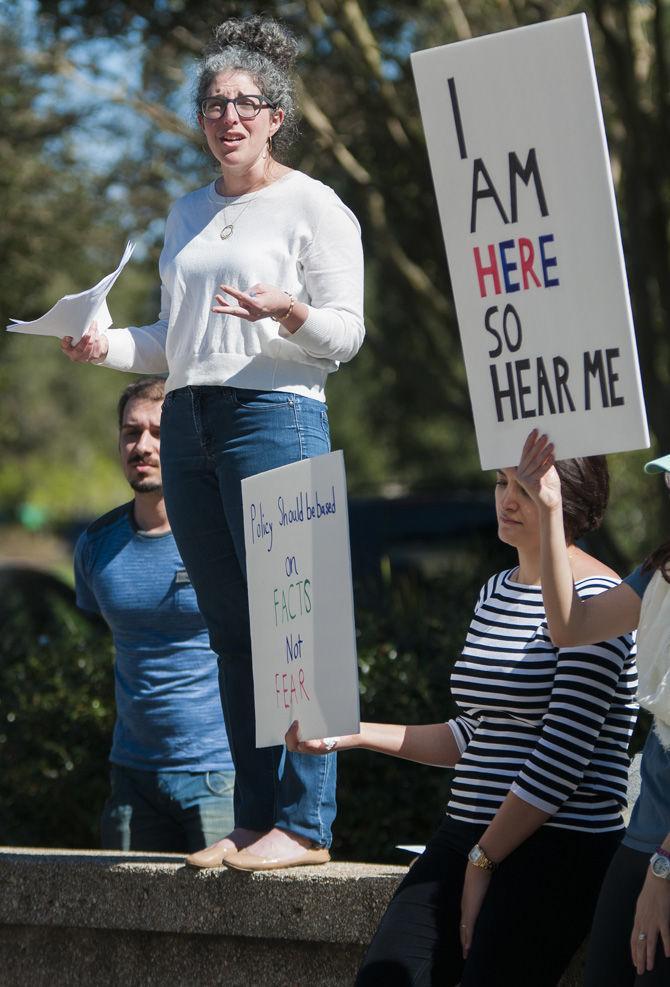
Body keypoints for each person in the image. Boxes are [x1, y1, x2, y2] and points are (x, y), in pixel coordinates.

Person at [61, 15, 364, 870]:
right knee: (234, 631)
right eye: (212, 104)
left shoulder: (313, 204)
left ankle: (307, 826)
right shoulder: (188, 212)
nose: (227, 118)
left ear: (276, 115)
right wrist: (106, 346)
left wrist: (287, 311)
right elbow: (174, 339)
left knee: (301, 625)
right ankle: (256, 813)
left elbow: (346, 334)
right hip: (191, 415)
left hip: (277, 412)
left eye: (244, 103)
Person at [287, 454, 637, 986]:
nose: (506, 499)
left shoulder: (600, 600)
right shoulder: (495, 591)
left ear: (568, 497)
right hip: (467, 835)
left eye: (525, 486)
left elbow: (562, 758)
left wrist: (484, 860)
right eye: (500, 483)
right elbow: (473, 733)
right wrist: (349, 732)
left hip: (558, 844)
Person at [514, 429, 670, 986]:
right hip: (646, 835)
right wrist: (550, 509)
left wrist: (664, 870)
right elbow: (571, 627)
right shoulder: (660, 573)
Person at [74, 377, 235, 852]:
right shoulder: (95, 547)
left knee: (223, 925)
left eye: (158, 432)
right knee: (125, 924)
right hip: (131, 776)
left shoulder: (223, 537)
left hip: (217, 774)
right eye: (130, 432)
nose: (142, 446)